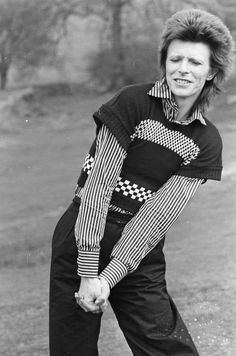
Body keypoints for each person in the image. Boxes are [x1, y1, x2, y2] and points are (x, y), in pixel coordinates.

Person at [49, 8, 234, 356]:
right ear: (164, 62)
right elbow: (98, 188)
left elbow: (154, 217)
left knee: (168, 347)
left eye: (195, 63)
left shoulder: (206, 142)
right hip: (83, 233)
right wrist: (90, 270)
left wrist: (108, 277)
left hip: (138, 251)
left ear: (211, 72)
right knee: (72, 349)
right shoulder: (132, 102)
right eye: (175, 58)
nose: (183, 69)